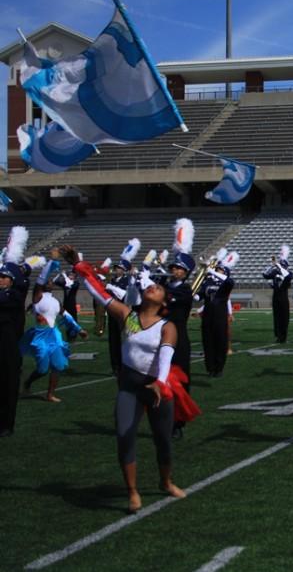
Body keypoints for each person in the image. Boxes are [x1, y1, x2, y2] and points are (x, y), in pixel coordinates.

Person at [65, 244, 197, 514]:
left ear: (163, 301)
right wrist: (79, 266)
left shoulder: (166, 326)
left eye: (159, 288)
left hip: (158, 386)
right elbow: (100, 294)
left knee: (163, 440)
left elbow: (165, 358)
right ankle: (132, 491)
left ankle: (165, 481)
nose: (153, 287)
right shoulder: (128, 316)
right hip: (130, 386)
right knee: (125, 436)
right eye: (151, 286)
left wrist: (160, 383)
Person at [21, 270, 88, 402]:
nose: (50, 283)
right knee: (43, 370)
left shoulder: (55, 300)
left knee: (58, 366)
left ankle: (50, 394)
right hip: (41, 337)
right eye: (47, 281)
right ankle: (27, 383)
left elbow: (66, 315)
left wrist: (79, 329)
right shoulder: (37, 297)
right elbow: (39, 283)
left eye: (51, 281)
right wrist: (50, 264)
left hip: (54, 336)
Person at [165, 219, 196, 438]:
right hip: (160, 340)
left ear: (185, 272)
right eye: (173, 267)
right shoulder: (162, 287)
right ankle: (164, 418)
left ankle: (178, 421)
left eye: (178, 268)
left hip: (178, 340)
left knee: (180, 380)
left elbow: (168, 299)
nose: (174, 270)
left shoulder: (185, 290)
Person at [0, 226, 29, 437]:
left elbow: (19, 284)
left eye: (4, 277)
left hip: (9, 347)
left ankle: (6, 424)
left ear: (12, 280)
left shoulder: (14, 296)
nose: (1, 279)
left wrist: (11, 259)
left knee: (9, 384)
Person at [199, 249, 238, 377]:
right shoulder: (207, 281)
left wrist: (210, 271)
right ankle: (210, 368)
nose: (217, 271)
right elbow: (200, 295)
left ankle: (219, 368)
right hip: (208, 315)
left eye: (220, 270)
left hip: (220, 315)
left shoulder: (225, 283)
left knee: (220, 341)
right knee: (207, 341)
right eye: (217, 269)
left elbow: (230, 282)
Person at [105, 239, 141, 376]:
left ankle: (127, 365)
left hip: (125, 313)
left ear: (124, 270)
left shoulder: (127, 281)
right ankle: (115, 366)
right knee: (113, 341)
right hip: (113, 314)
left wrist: (111, 287)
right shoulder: (113, 281)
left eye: (119, 268)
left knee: (127, 340)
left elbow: (125, 295)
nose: (116, 270)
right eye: (116, 268)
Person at [263, 244, 292, 344]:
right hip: (276, 298)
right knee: (277, 318)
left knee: (284, 318)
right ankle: (278, 336)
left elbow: (287, 277)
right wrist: (271, 266)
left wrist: (279, 266)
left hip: (283, 298)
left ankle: (283, 336)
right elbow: (265, 275)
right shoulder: (275, 273)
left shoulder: (289, 274)